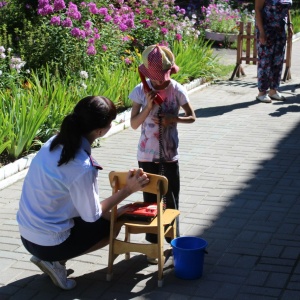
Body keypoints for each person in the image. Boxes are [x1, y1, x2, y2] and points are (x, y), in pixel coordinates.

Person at [16, 96, 149, 290]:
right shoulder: (82, 166)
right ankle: (55, 261)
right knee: (110, 224)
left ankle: (50, 258)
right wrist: (128, 189)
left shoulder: (54, 142)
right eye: (110, 122)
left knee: (106, 212)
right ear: (100, 131)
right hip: (47, 244)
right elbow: (92, 215)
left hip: (27, 236)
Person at [129, 44, 196, 262]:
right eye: (155, 78)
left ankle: (173, 240)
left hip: (168, 154)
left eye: (162, 77)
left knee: (170, 197)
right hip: (146, 155)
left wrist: (173, 119)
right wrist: (148, 108)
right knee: (150, 199)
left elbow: (192, 116)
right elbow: (133, 123)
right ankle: (153, 245)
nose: (159, 82)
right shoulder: (141, 90)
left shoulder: (176, 89)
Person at [255, 0, 293, 103]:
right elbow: (257, 10)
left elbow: (286, 8)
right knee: (265, 61)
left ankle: (273, 91)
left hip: (280, 31)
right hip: (266, 30)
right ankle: (262, 92)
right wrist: (262, 32)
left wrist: (289, 23)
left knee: (278, 61)